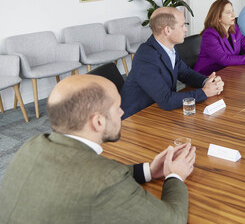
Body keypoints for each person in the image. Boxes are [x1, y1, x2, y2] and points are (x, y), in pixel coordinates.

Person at [0, 75, 196, 223]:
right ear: (98, 121)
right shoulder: (105, 179)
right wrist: (174, 176)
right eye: (118, 107)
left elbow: (83, 177)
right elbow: (172, 220)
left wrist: (149, 170)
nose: (122, 112)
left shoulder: (33, 144)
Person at [121, 7, 224, 119]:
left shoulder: (168, 47)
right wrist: (204, 92)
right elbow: (167, 100)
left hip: (157, 111)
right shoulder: (146, 57)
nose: (186, 29)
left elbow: (185, 73)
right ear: (167, 30)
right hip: (137, 119)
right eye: (182, 25)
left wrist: (207, 82)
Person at [194, 0, 245, 76]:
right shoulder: (209, 35)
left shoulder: (235, 29)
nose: (233, 15)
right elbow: (224, 59)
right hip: (208, 75)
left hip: (228, 72)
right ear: (218, 17)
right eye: (228, 13)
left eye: (232, 11)